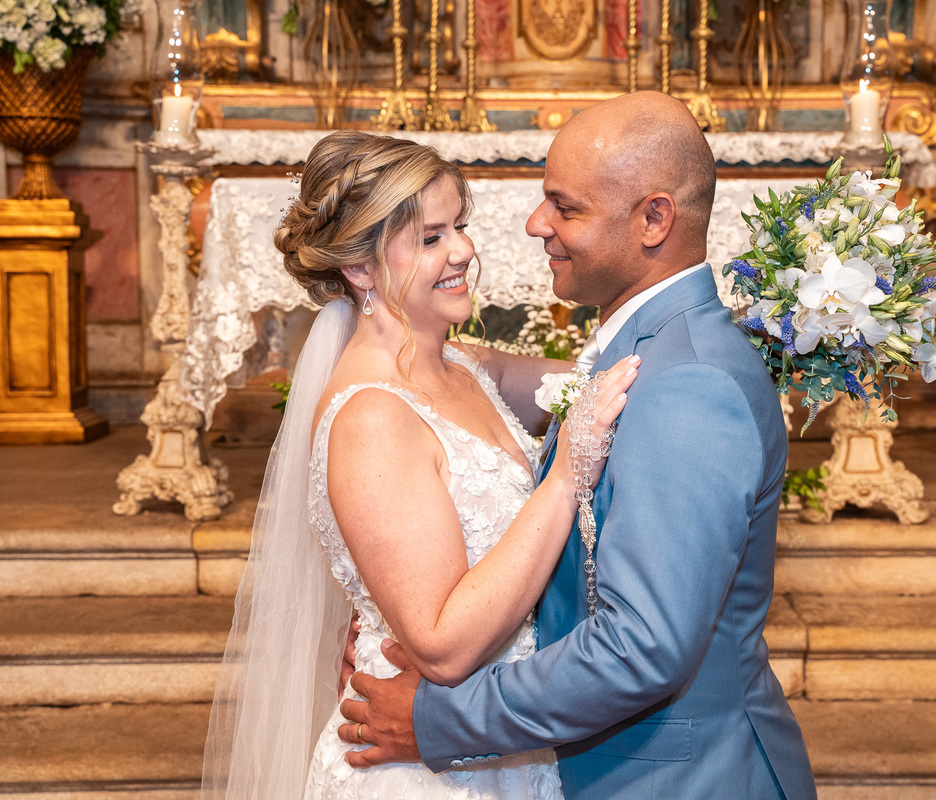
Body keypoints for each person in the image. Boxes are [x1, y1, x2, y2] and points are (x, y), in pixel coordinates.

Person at [337, 92, 818, 799]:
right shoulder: (643, 348)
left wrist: (438, 719)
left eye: (565, 207)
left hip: (676, 779)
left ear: (654, 219)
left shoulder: (689, 386)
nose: (536, 223)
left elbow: (641, 647)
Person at [201, 130, 638, 800]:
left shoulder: (465, 365)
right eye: (431, 237)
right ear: (361, 268)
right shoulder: (372, 418)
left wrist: (770, 332)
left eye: (459, 226)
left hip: (503, 735)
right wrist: (564, 477)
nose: (463, 250)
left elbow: (600, 381)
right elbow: (441, 644)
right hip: (425, 768)